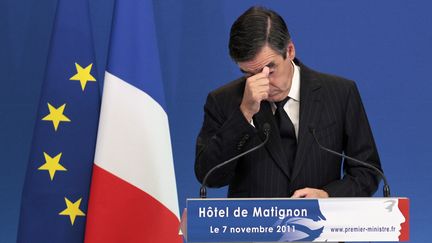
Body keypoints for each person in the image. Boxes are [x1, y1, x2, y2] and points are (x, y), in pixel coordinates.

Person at [195, 6, 382, 198]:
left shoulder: (341, 93)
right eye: (250, 74)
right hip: (254, 226)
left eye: (270, 69)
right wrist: (244, 114)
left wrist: (328, 196)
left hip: (319, 223)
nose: (263, 82)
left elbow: (368, 173)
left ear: (290, 51)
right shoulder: (223, 100)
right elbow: (210, 177)